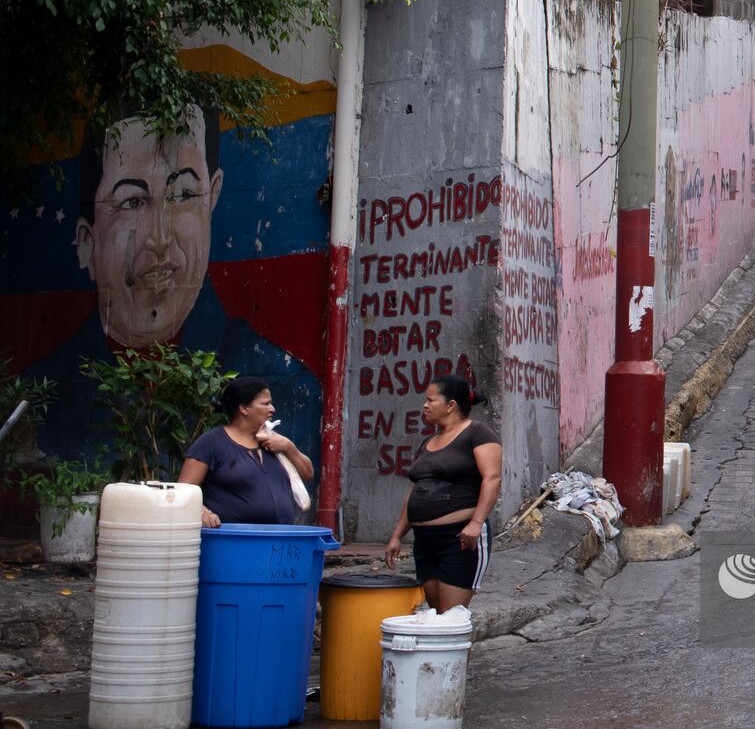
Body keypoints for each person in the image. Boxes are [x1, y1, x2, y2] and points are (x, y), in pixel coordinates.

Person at [25, 105, 323, 466]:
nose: (160, 238)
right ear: (87, 240)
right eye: (132, 201)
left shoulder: (291, 386)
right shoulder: (40, 396)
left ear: (212, 198)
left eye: (183, 195)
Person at [385, 374, 503, 611]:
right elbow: (415, 490)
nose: (425, 405)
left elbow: (492, 478)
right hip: (425, 542)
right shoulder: (428, 442)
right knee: (437, 617)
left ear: (451, 405)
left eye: (431, 400)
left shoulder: (478, 433)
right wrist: (397, 535)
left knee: (452, 620)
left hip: (460, 539)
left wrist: (476, 522)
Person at [179, 377, 314, 528]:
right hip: (233, 541)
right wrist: (204, 513)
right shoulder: (211, 443)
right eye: (266, 403)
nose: (272, 409)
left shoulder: (275, 442)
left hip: (279, 542)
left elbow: (308, 474)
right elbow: (184, 491)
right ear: (243, 408)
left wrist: (289, 447)